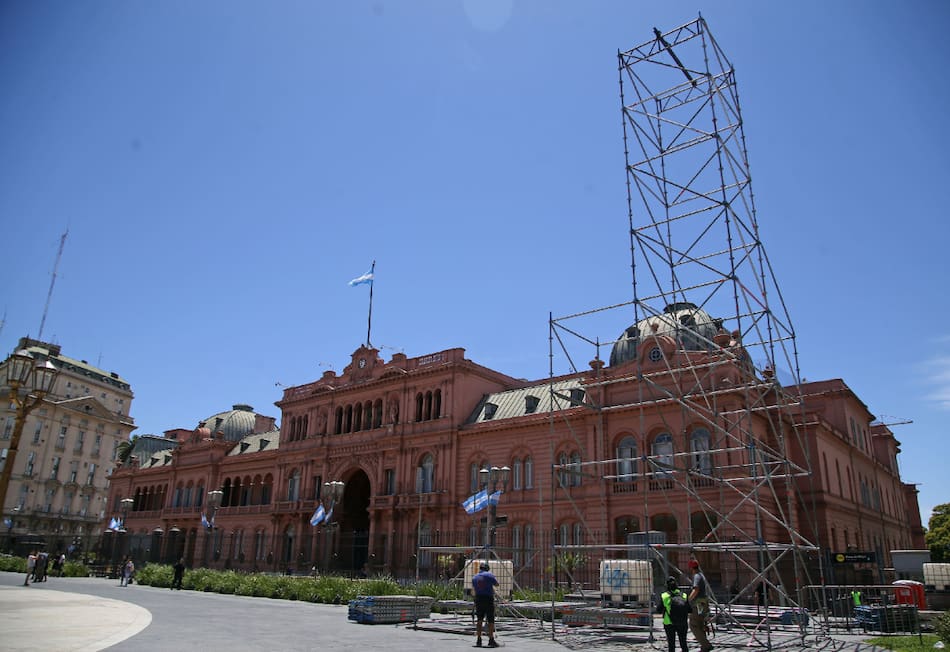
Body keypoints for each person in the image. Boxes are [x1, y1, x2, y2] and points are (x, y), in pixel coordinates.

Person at [658, 575, 691, 652]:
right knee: (683, 643)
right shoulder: (684, 595)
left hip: (669, 622)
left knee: (671, 644)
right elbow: (689, 610)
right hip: (683, 622)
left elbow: (659, 610)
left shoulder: (664, 596)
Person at [687, 559, 713, 652]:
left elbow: (696, 589)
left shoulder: (697, 576)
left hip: (699, 602)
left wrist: (688, 600)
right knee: (700, 624)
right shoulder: (700, 575)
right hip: (702, 602)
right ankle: (704, 646)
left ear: (691, 568)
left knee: (693, 625)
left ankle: (706, 645)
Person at [472, 561, 499, 648]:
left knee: (479, 619)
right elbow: (497, 584)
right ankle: (491, 639)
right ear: (487, 569)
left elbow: (475, 588)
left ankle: (479, 639)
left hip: (479, 599)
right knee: (490, 620)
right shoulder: (489, 575)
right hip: (488, 599)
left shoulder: (474, 577)